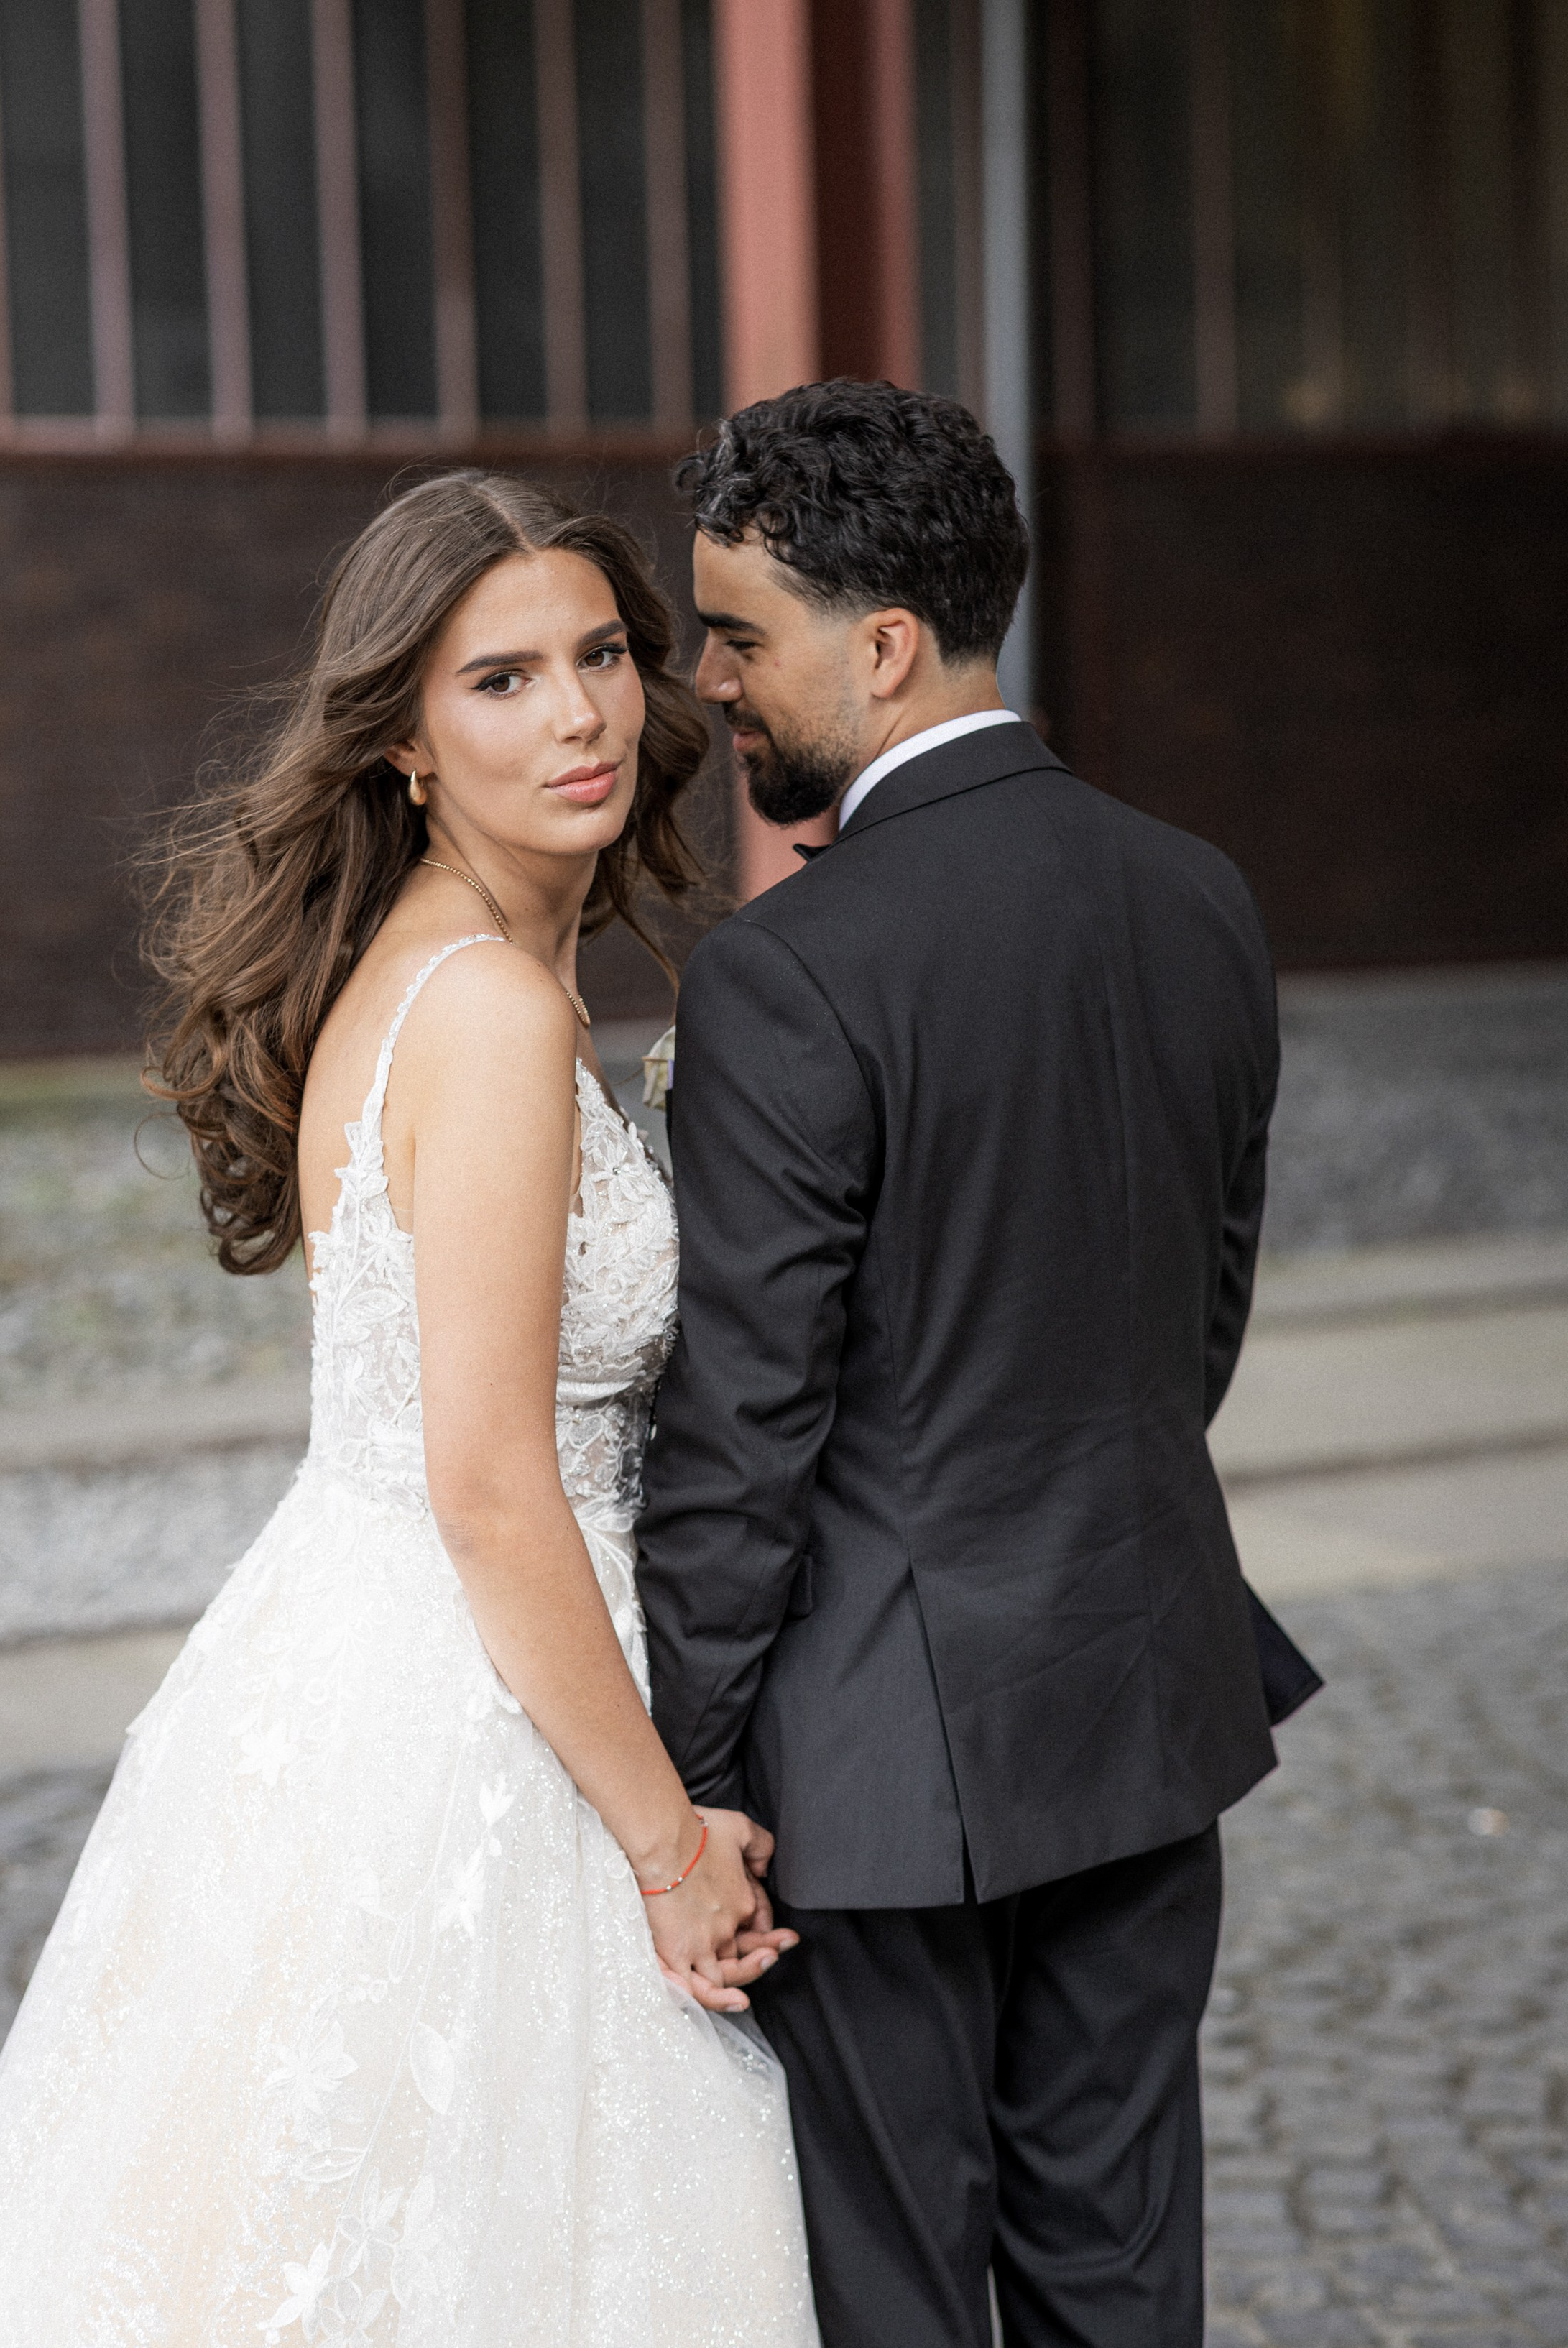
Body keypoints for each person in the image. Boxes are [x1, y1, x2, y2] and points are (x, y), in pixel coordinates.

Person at [0, 473, 820, 2348]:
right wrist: (671, 1847)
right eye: (503, 680)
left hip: (346, 1649)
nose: (586, 714)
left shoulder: (433, 970)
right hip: (482, 1697)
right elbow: (490, 1488)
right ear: (408, 746)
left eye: (600, 654)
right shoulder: (494, 1013)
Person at [635, 380, 1317, 2348]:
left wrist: (688, 1784)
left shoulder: (794, 970)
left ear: (885, 644)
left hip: (875, 1776)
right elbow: (1200, 1316)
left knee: (899, 2295)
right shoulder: (1201, 895)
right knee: (1120, 2273)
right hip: (1140, 1693)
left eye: (741, 637)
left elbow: (741, 1435)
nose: (715, 688)